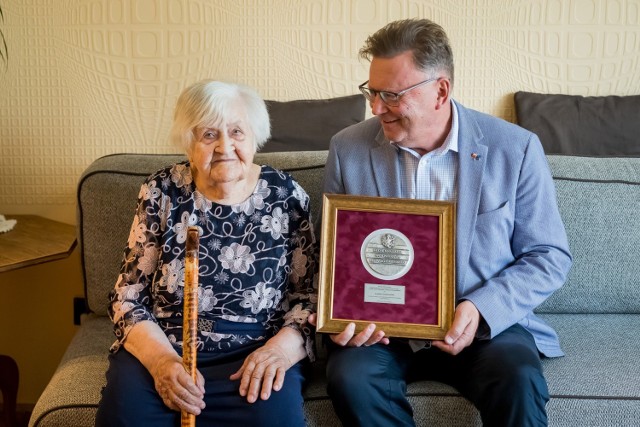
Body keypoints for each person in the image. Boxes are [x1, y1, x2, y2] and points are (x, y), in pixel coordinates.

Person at [314, 18, 572, 426]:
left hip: (485, 327)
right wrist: (344, 312)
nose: (377, 107)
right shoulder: (348, 149)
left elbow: (549, 255)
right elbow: (336, 257)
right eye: (372, 92)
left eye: (391, 95)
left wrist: (480, 308)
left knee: (518, 379)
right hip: (385, 329)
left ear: (441, 90)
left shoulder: (516, 149)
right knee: (350, 377)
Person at [96, 80, 317, 427]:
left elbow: (311, 299)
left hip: (255, 354)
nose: (225, 146)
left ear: (255, 137)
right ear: (190, 142)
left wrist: (278, 352)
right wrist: (161, 364)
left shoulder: (286, 195)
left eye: (237, 132)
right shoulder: (162, 191)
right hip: (165, 346)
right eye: (209, 135)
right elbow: (126, 297)